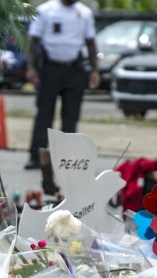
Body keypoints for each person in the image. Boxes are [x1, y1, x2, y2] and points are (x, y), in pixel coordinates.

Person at [24, 0, 100, 170]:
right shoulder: (45, 10)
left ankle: (66, 160)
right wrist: (31, 67)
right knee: (44, 114)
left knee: (71, 116)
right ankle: (36, 156)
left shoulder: (84, 13)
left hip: (74, 68)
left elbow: (90, 43)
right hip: (50, 68)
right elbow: (33, 41)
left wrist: (95, 70)